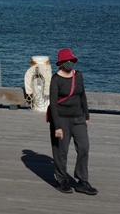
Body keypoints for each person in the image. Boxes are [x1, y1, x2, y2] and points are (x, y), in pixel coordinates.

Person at [48, 48, 96, 196]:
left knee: (84, 147)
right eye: (66, 61)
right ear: (60, 63)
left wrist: (87, 116)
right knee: (61, 152)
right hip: (61, 119)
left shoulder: (79, 76)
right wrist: (57, 127)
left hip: (79, 117)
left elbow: (83, 96)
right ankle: (62, 181)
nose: (69, 63)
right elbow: (54, 104)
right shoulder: (56, 79)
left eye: (71, 61)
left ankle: (82, 181)